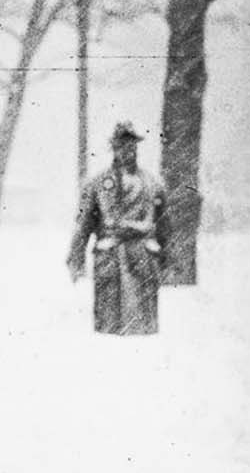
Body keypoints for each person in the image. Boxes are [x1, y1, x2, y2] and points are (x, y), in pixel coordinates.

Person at [66, 121, 171, 335]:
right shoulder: (97, 184)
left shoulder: (152, 183)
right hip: (111, 259)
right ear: (113, 148)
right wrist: (76, 260)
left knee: (143, 331)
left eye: (131, 145)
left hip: (142, 258)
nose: (127, 150)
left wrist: (168, 260)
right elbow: (83, 225)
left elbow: (164, 226)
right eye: (121, 145)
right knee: (109, 329)